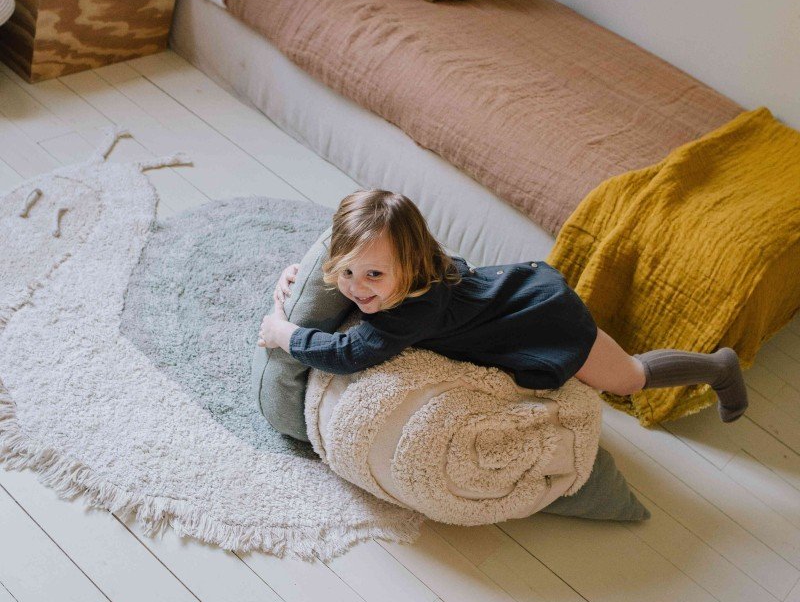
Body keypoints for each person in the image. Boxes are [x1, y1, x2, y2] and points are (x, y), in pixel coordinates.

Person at [258, 189, 748, 422]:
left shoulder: (413, 310)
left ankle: (719, 368)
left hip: (545, 321)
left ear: (408, 266)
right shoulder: (407, 266)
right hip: (517, 296)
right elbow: (338, 269)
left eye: (373, 276)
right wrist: (301, 278)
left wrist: (284, 334)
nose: (358, 288)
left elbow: (350, 354)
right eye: (346, 273)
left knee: (627, 378)